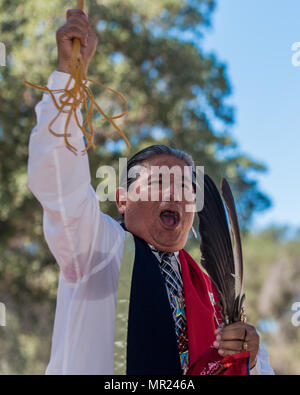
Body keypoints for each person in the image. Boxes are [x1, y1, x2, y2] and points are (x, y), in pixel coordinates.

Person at [27, 8, 274, 375]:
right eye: (159, 183)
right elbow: (60, 182)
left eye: (185, 188)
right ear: (123, 200)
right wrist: (68, 77)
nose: (174, 196)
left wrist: (250, 358)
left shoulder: (212, 292)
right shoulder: (96, 249)